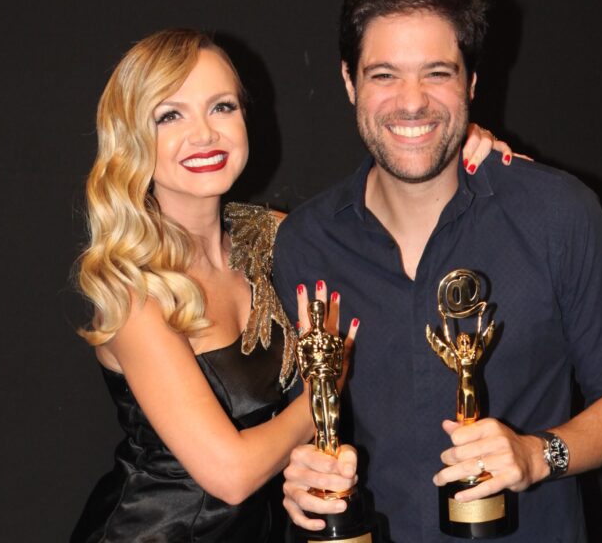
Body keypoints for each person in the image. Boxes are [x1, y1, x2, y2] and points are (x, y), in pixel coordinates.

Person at [69, 28, 515, 542]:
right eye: (170, 115)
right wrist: (328, 386)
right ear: (131, 137)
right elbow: (231, 475)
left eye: (221, 107)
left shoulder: (274, 238)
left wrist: (460, 154)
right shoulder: (133, 291)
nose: (205, 134)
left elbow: (387, 222)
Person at [272, 0, 602, 542]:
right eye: (384, 75)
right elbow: (304, 415)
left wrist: (537, 455)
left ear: (471, 82)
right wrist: (301, 474)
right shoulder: (306, 242)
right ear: (349, 81)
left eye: (437, 73)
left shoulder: (558, 215)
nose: (412, 102)